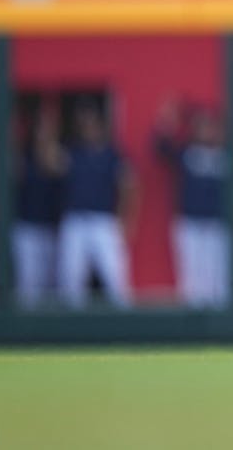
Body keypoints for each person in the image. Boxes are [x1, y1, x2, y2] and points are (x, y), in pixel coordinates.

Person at [56, 97, 136, 308]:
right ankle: (71, 330)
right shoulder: (73, 151)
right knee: (70, 278)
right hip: (76, 221)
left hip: (104, 221)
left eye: (90, 122)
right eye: (82, 123)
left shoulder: (112, 154)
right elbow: (50, 163)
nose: (87, 127)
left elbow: (129, 186)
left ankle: (127, 328)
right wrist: (47, 127)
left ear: (101, 124)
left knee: (116, 277)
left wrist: (125, 220)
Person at [154, 98, 232, 308]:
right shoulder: (186, 153)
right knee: (191, 279)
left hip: (217, 225)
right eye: (202, 126)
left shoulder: (227, 156)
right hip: (189, 223)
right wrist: (167, 120)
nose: (206, 130)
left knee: (219, 279)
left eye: (210, 126)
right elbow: (159, 147)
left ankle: (222, 326)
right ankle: (193, 327)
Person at [11, 103, 64, 307]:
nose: (43, 132)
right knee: (28, 283)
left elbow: (61, 175)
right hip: (26, 227)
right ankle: (25, 332)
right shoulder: (24, 156)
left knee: (52, 284)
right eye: (40, 127)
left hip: (52, 228)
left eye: (48, 128)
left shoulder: (61, 157)